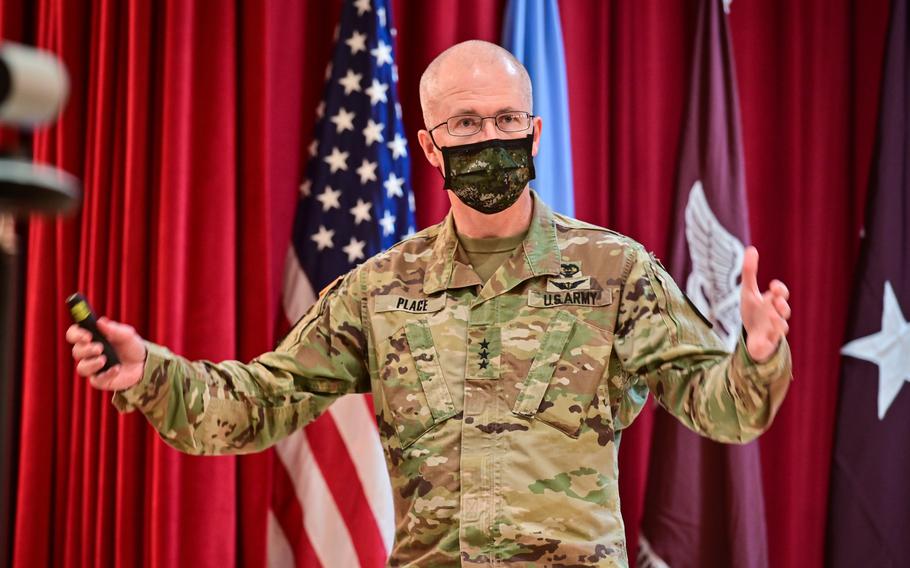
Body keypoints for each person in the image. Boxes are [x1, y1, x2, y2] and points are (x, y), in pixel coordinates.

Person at [67, 40, 792, 567]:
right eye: (466, 125)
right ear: (430, 147)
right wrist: (152, 374)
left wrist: (756, 356)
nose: (491, 138)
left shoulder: (613, 270)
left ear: (536, 133)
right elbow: (262, 399)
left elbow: (718, 407)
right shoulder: (382, 289)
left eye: (508, 120)